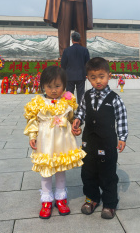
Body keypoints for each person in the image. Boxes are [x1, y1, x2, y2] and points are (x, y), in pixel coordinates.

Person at [23, 65, 86, 219]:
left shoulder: (67, 102)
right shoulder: (38, 102)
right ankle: (46, 200)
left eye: (57, 86)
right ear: (43, 86)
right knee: (46, 171)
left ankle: (61, 198)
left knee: (60, 170)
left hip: (62, 141)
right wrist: (32, 136)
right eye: (49, 86)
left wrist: (76, 129)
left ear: (64, 86)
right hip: (45, 142)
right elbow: (33, 121)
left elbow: (72, 121)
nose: (53, 90)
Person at [71, 57, 128, 220]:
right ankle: (92, 198)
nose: (98, 81)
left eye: (101, 76)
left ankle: (109, 203)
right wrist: (78, 120)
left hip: (107, 142)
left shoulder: (114, 98)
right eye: (93, 77)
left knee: (108, 173)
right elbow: (81, 111)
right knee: (88, 171)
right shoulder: (86, 96)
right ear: (87, 78)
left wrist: (122, 137)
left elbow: (121, 117)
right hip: (88, 141)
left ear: (109, 76)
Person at [61, 31, 90, 104]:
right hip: (81, 75)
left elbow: (63, 64)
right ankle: (81, 111)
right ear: (79, 39)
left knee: (69, 95)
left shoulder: (67, 50)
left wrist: (65, 73)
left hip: (69, 76)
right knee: (81, 95)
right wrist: (86, 74)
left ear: (72, 39)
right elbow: (88, 63)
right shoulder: (85, 50)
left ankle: (70, 111)